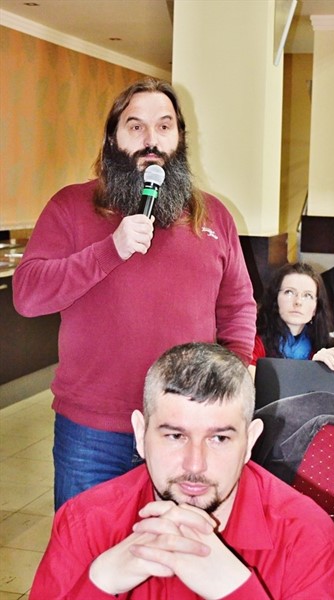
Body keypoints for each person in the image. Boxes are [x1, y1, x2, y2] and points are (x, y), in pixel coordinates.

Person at [12, 78, 256, 511]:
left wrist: (235, 379)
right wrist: (110, 250)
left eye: (164, 126)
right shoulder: (70, 206)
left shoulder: (214, 216)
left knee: (175, 549)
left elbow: (237, 306)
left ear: (180, 138)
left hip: (185, 428)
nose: (151, 140)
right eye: (136, 126)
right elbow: (28, 295)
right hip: (92, 432)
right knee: (87, 549)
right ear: (112, 138)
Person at [29, 342, 334, 599]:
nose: (195, 464)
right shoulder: (85, 522)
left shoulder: (306, 537)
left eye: (219, 439)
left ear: (249, 442)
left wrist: (236, 589)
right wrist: (100, 581)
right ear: (140, 434)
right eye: (175, 436)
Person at [251, 262, 334, 372]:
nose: (298, 302)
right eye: (289, 292)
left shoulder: (324, 348)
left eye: (307, 295)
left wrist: (322, 370)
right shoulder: (254, 342)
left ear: (316, 308)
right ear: (275, 299)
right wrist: (311, 369)